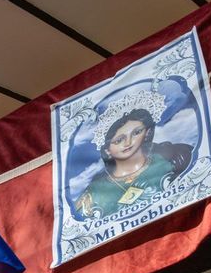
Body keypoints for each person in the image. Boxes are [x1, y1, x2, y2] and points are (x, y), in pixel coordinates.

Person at [74, 90, 192, 220]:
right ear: (107, 150)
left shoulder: (175, 157)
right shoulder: (94, 192)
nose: (128, 143)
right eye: (119, 140)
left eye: (136, 132)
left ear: (146, 133)